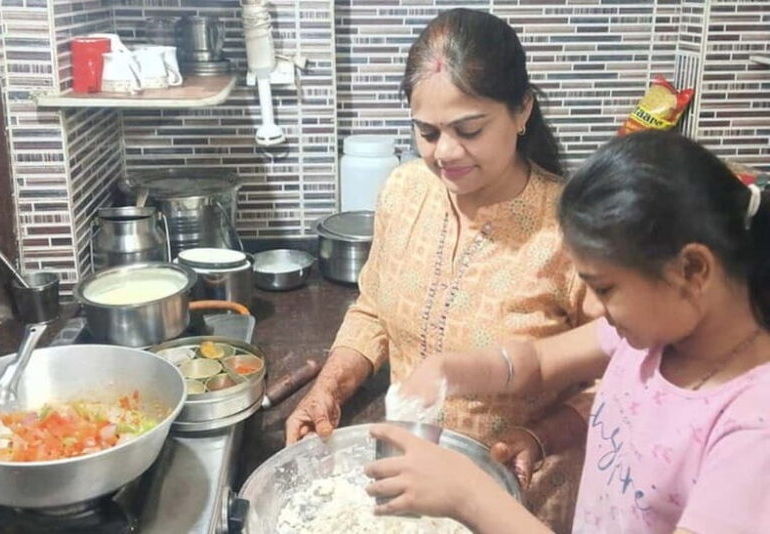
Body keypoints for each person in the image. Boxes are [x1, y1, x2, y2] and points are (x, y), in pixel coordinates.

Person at [365, 130, 770, 533]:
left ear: (692, 270)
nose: (591, 307)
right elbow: (538, 362)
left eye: (604, 288)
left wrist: (468, 495)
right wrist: (450, 370)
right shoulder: (654, 337)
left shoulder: (754, 426)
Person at [286, 8, 592, 531]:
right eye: (427, 132)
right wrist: (330, 387)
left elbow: (623, 379)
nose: (446, 152)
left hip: (521, 499)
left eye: (469, 129)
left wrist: (542, 435)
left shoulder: (572, 230)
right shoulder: (404, 192)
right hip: (408, 485)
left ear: (521, 110)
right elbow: (373, 310)